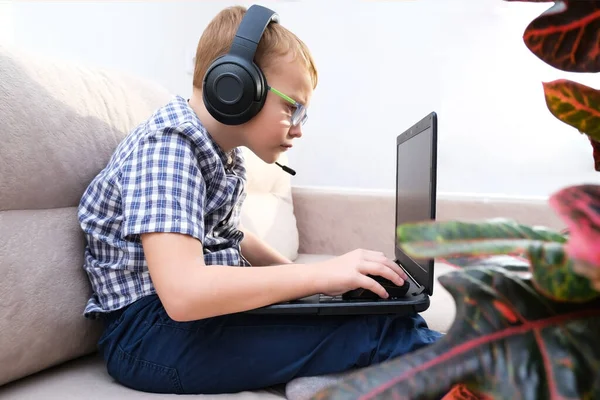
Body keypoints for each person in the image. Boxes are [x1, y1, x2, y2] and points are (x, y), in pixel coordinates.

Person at [77, 4, 443, 395]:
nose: (299, 129)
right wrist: (316, 274)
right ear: (234, 87)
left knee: (376, 317)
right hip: (151, 336)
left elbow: (231, 235)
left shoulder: (218, 153)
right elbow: (183, 293)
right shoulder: (169, 146)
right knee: (375, 331)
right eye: (293, 107)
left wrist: (317, 288)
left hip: (181, 324)